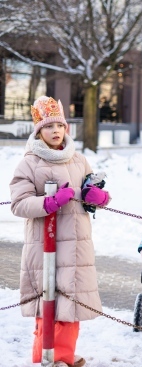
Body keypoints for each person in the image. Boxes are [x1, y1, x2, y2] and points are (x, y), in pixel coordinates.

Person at [10, 96, 111, 367]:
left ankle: (63, 355)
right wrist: (49, 202)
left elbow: (90, 189)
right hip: (45, 246)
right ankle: (45, 355)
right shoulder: (29, 163)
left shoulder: (78, 160)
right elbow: (19, 204)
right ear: (38, 131)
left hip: (76, 245)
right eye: (48, 127)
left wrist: (96, 196)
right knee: (48, 303)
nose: (55, 131)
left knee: (71, 303)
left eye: (60, 126)